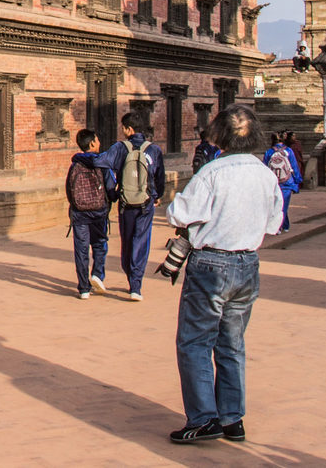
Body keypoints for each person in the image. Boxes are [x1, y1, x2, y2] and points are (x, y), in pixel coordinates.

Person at [164, 103, 285, 444]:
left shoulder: (212, 172)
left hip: (211, 265)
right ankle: (232, 417)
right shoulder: (265, 174)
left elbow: (179, 215)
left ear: (220, 135)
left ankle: (204, 417)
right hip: (247, 263)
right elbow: (275, 223)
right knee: (231, 343)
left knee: (195, 342)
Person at [109, 111, 166, 301]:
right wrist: (157, 195)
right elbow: (159, 178)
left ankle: (130, 277)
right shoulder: (154, 150)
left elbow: (107, 168)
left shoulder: (120, 148)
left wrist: (114, 194)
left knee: (127, 241)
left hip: (126, 203)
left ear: (128, 129)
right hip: (146, 202)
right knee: (140, 241)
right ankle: (136, 285)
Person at [65, 129, 113, 298]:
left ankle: (84, 288)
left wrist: (74, 206)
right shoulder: (102, 163)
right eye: (97, 140)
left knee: (81, 249)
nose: (99, 143)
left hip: (80, 212)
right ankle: (97, 274)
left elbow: (69, 189)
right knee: (99, 243)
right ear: (92, 143)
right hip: (99, 211)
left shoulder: (75, 165)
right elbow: (110, 188)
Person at [263, 133, 302, 232]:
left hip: (274, 182)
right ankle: (280, 226)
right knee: (283, 205)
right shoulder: (288, 151)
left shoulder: (269, 152)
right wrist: (297, 181)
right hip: (287, 182)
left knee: (277, 204)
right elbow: (294, 166)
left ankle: (283, 225)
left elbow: (265, 168)